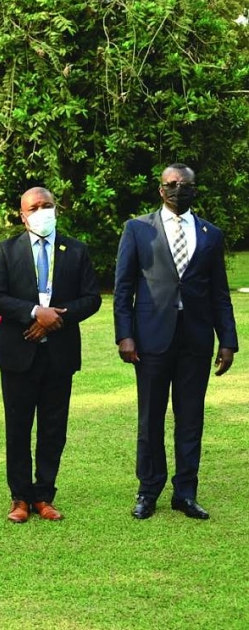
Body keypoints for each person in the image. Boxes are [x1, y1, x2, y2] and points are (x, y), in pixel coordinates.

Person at [114, 164, 238, 520]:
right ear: (160, 189)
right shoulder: (138, 229)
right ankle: (148, 490)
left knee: (190, 418)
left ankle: (185, 492)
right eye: (172, 184)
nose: (178, 189)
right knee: (150, 417)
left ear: (195, 189)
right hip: (151, 338)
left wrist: (227, 340)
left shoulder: (210, 233)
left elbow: (219, 293)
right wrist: (125, 334)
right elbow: (123, 288)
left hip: (196, 340)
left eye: (185, 184)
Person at [0, 187, 101, 523]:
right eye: (34, 207)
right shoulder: (7, 251)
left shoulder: (76, 250)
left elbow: (92, 298)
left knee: (54, 428)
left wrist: (55, 320)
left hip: (59, 355)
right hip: (19, 351)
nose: (41, 211)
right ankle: (20, 498)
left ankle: (44, 495)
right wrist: (36, 313)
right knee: (18, 428)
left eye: (47, 205)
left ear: (56, 209)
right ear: (22, 215)